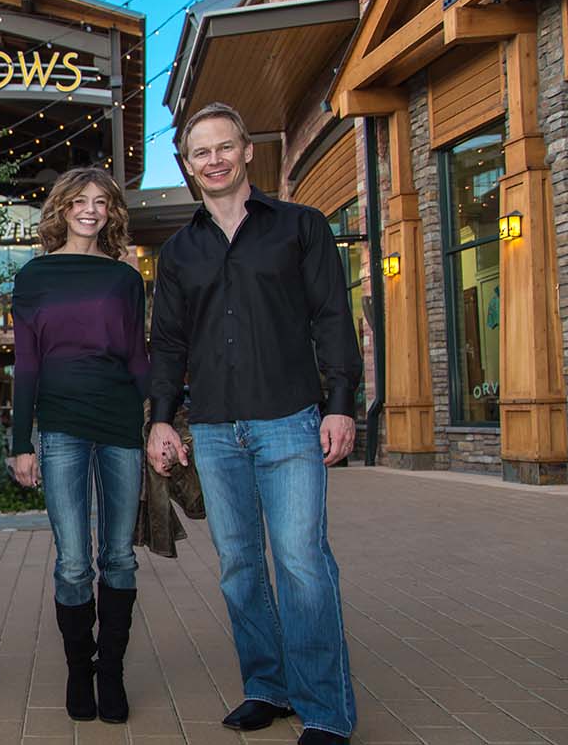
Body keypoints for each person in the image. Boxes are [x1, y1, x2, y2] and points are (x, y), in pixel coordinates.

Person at [147, 102, 361, 745]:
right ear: (187, 165)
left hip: (291, 422)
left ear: (247, 152)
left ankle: (324, 710)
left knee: (301, 564)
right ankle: (266, 687)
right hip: (213, 431)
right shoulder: (179, 251)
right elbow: (168, 346)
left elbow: (330, 317)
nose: (213, 160)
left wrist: (343, 401)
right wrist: (161, 422)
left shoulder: (301, 227)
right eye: (199, 152)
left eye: (223, 147)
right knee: (240, 566)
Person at [9, 167, 147, 725]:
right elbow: (26, 364)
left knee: (118, 556)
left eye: (102, 202)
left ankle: (110, 672)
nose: (91, 209)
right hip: (61, 426)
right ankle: (78, 670)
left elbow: (139, 357)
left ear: (112, 212)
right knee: (72, 562)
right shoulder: (35, 276)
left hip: (120, 427)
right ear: (62, 209)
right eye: (80, 201)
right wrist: (22, 442)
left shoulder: (125, 277)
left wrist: (161, 419)